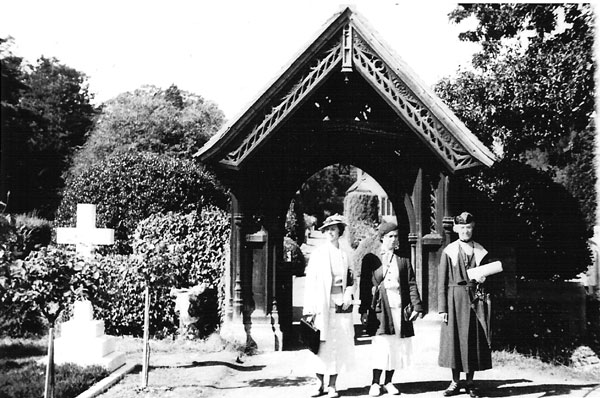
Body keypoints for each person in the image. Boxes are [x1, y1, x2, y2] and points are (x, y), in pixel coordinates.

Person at [359, 221, 423, 397]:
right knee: (381, 345)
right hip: (380, 308)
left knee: (396, 346)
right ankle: (375, 383)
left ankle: (388, 381)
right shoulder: (371, 259)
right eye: (390, 236)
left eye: (396, 236)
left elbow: (411, 284)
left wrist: (416, 306)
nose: (394, 240)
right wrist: (364, 310)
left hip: (399, 307)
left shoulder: (403, 260)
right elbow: (364, 285)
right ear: (382, 238)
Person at [438, 212, 492, 398]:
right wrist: (442, 308)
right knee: (454, 341)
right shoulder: (449, 251)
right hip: (454, 300)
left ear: (472, 228)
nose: (465, 231)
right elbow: (441, 282)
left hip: (474, 300)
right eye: (461, 228)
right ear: (456, 229)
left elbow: (491, 277)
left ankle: (470, 382)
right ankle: (454, 381)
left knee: (473, 340)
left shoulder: (480, 251)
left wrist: (484, 279)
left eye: (468, 227)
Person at [303, 214, 355, 398]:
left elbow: (350, 278)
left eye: (334, 229)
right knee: (320, 344)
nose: (330, 232)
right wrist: (310, 308)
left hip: (340, 305)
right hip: (321, 305)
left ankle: (333, 385)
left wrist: (349, 291)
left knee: (337, 344)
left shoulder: (345, 254)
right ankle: (319, 384)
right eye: (327, 229)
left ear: (340, 231)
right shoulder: (318, 254)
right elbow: (310, 282)